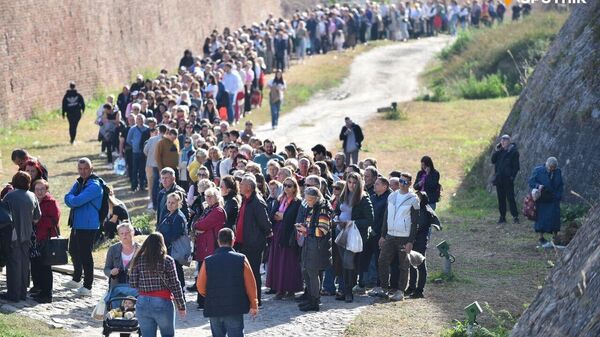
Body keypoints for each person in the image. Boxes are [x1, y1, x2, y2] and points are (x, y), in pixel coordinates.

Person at [197, 228, 258, 337]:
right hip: (235, 307)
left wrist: (211, 295)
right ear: (233, 241)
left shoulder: (208, 261)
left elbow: (200, 286)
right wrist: (254, 304)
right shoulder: (241, 259)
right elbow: (250, 284)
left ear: (218, 241)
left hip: (214, 307)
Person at [369, 173, 419, 301]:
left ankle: (400, 291)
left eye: (406, 182)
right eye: (401, 181)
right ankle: (384, 289)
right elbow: (386, 216)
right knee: (382, 261)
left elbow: (414, 222)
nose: (402, 184)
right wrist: (383, 235)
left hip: (404, 236)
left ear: (410, 184)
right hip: (390, 235)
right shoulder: (392, 196)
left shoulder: (413, 199)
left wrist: (410, 241)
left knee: (403, 265)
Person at [129, 233, 186, 337]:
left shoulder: (138, 260)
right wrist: (181, 305)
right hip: (162, 302)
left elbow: (133, 283)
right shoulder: (167, 260)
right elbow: (175, 284)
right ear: (161, 244)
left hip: (142, 302)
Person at [63, 158, 104, 297]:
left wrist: (71, 199)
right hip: (77, 223)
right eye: (80, 169)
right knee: (73, 250)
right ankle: (76, 278)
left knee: (85, 254)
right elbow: (68, 197)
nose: (83, 171)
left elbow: (75, 200)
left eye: (86, 168)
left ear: (91, 169)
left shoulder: (95, 185)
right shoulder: (79, 182)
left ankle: (87, 286)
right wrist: (71, 199)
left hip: (88, 225)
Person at [0, 172, 41, 302]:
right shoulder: (32, 196)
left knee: (13, 264)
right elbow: (37, 217)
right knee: (24, 264)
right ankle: (23, 293)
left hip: (12, 234)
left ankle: (13, 294)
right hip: (27, 234)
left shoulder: (9, 196)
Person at [334, 171, 373, 301]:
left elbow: (369, 220)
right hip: (340, 231)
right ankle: (344, 289)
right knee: (343, 261)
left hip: (354, 234)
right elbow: (337, 210)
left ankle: (348, 291)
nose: (351, 185)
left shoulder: (364, 198)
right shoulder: (343, 195)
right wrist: (335, 218)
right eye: (349, 182)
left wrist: (352, 223)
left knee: (348, 261)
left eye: (354, 182)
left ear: (359, 183)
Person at [235, 175, 272, 307]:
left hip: (254, 244)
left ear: (249, 187)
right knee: (245, 273)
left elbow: (265, 224)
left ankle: (256, 300)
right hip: (244, 242)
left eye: (242, 184)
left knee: (253, 273)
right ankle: (247, 297)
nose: (239, 186)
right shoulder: (246, 199)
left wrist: (260, 237)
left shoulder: (257, 202)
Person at [266, 177, 303, 300]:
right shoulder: (279, 199)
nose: (286, 188)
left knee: (288, 263)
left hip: (288, 235)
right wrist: (279, 216)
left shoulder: (298, 202)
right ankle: (279, 289)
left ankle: (290, 288)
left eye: (289, 186)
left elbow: (294, 217)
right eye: (285, 185)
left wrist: (282, 216)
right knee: (277, 262)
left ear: (294, 188)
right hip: (277, 233)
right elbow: (272, 214)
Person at [296, 186, 332, 311]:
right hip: (309, 244)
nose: (307, 202)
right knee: (306, 271)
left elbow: (323, 229)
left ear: (315, 198)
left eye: (309, 200)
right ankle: (310, 298)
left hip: (317, 246)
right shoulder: (312, 208)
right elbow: (311, 224)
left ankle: (315, 301)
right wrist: (303, 227)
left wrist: (307, 230)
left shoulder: (323, 210)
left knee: (313, 273)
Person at [192, 187, 226, 308]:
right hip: (204, 247)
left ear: (217, 197)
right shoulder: (208, 209)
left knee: (208, 275)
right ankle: (202, 301)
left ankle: (207, 301)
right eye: (206, 196)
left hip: (210, 248)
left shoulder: (218, 211)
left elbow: (202, 224)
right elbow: (197, 223)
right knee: (203, 274)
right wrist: (198, 227)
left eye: (210, 196)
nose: (208, 198)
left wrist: (199, 227)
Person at [29, 179, 60, 303]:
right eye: (37, 189)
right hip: (35, 239)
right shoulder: (33, 200)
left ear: (46, 190)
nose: (40, 191)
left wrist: (38, 220)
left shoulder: (51, 202)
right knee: (37, 266)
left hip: (46, 239)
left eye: (42, 189)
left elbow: (54, 221)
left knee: (46, 268)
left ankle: (47, 294)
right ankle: (40, 290)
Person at [406, 191, 440, 299]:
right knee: (412, 264)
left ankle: (419, 290)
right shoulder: (418, 209)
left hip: (419, 242)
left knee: (420, 265)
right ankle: (411, 287)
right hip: (413, 241)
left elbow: (418, 226)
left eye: (417, 197)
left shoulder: (424, 211)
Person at [528, 157, 564, 248]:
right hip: (543, 199)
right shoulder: (538, 170)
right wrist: (538, 185)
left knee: (555, 218)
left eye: (554, 167)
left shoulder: (558, 171)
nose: (552, 169)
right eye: (551, 167)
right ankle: (541, 238)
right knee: (541, 219)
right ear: (547, 165)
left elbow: (561, 185)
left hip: (554, 199)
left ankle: (555, 238)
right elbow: (531, 182)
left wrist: (558, 195)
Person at [157, 192, 188, 291]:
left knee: (177, 270)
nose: (170, 205)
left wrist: (162, 240)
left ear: (178, 204)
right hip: (167, 248)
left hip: (174, 249)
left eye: (173, 203)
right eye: (168, 202)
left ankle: (180, 291)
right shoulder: (168, 214)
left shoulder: (178, 217)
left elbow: (175, 235)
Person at [491, 134, 520, 224]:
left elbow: (516, 167)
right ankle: (502, 217)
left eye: (505, 140)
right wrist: (496, 150)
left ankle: (515, 217)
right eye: (502, 140)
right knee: (501, 198)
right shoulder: (499, 152)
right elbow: (493, 160)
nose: (503, 142)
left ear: (509, 141)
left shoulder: (514, 152)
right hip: (499, 179)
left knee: (511, 198)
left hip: (508, 179)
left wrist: (512, 177)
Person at [104, 222, 140, 290]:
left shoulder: (141, 249)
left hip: (135, 289)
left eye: (127, 232)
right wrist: (111, 272)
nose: (124, 235)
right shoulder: (113, 249)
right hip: (117, 288)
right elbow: (106, 269)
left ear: (133, 232)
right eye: (122, 233)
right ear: (119, 235)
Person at [126, 114, 149, 192]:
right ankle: (134, 186)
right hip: (135, 152)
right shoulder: (132, 129)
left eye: (141, 119)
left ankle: (142, 185)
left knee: (142, 170)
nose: (140, 120)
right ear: (136, 120)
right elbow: (128, 140)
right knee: (134, 170)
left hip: (144, 153)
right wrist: (134, 145)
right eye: (138, 119)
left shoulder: (147, 129)